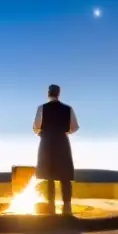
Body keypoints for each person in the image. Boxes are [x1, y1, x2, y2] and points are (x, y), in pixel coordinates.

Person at [33, 84, 79, 215]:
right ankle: (67, 207)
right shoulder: (68, 109)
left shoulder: (41, 108)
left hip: (47, 142)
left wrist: (44, 133)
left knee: (49, 176)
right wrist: (63, 132)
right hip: (62, 142)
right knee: (65, 175)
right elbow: (74, 127)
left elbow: (36, 127)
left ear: (49, 93)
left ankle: (51, 206)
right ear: (59, 93)